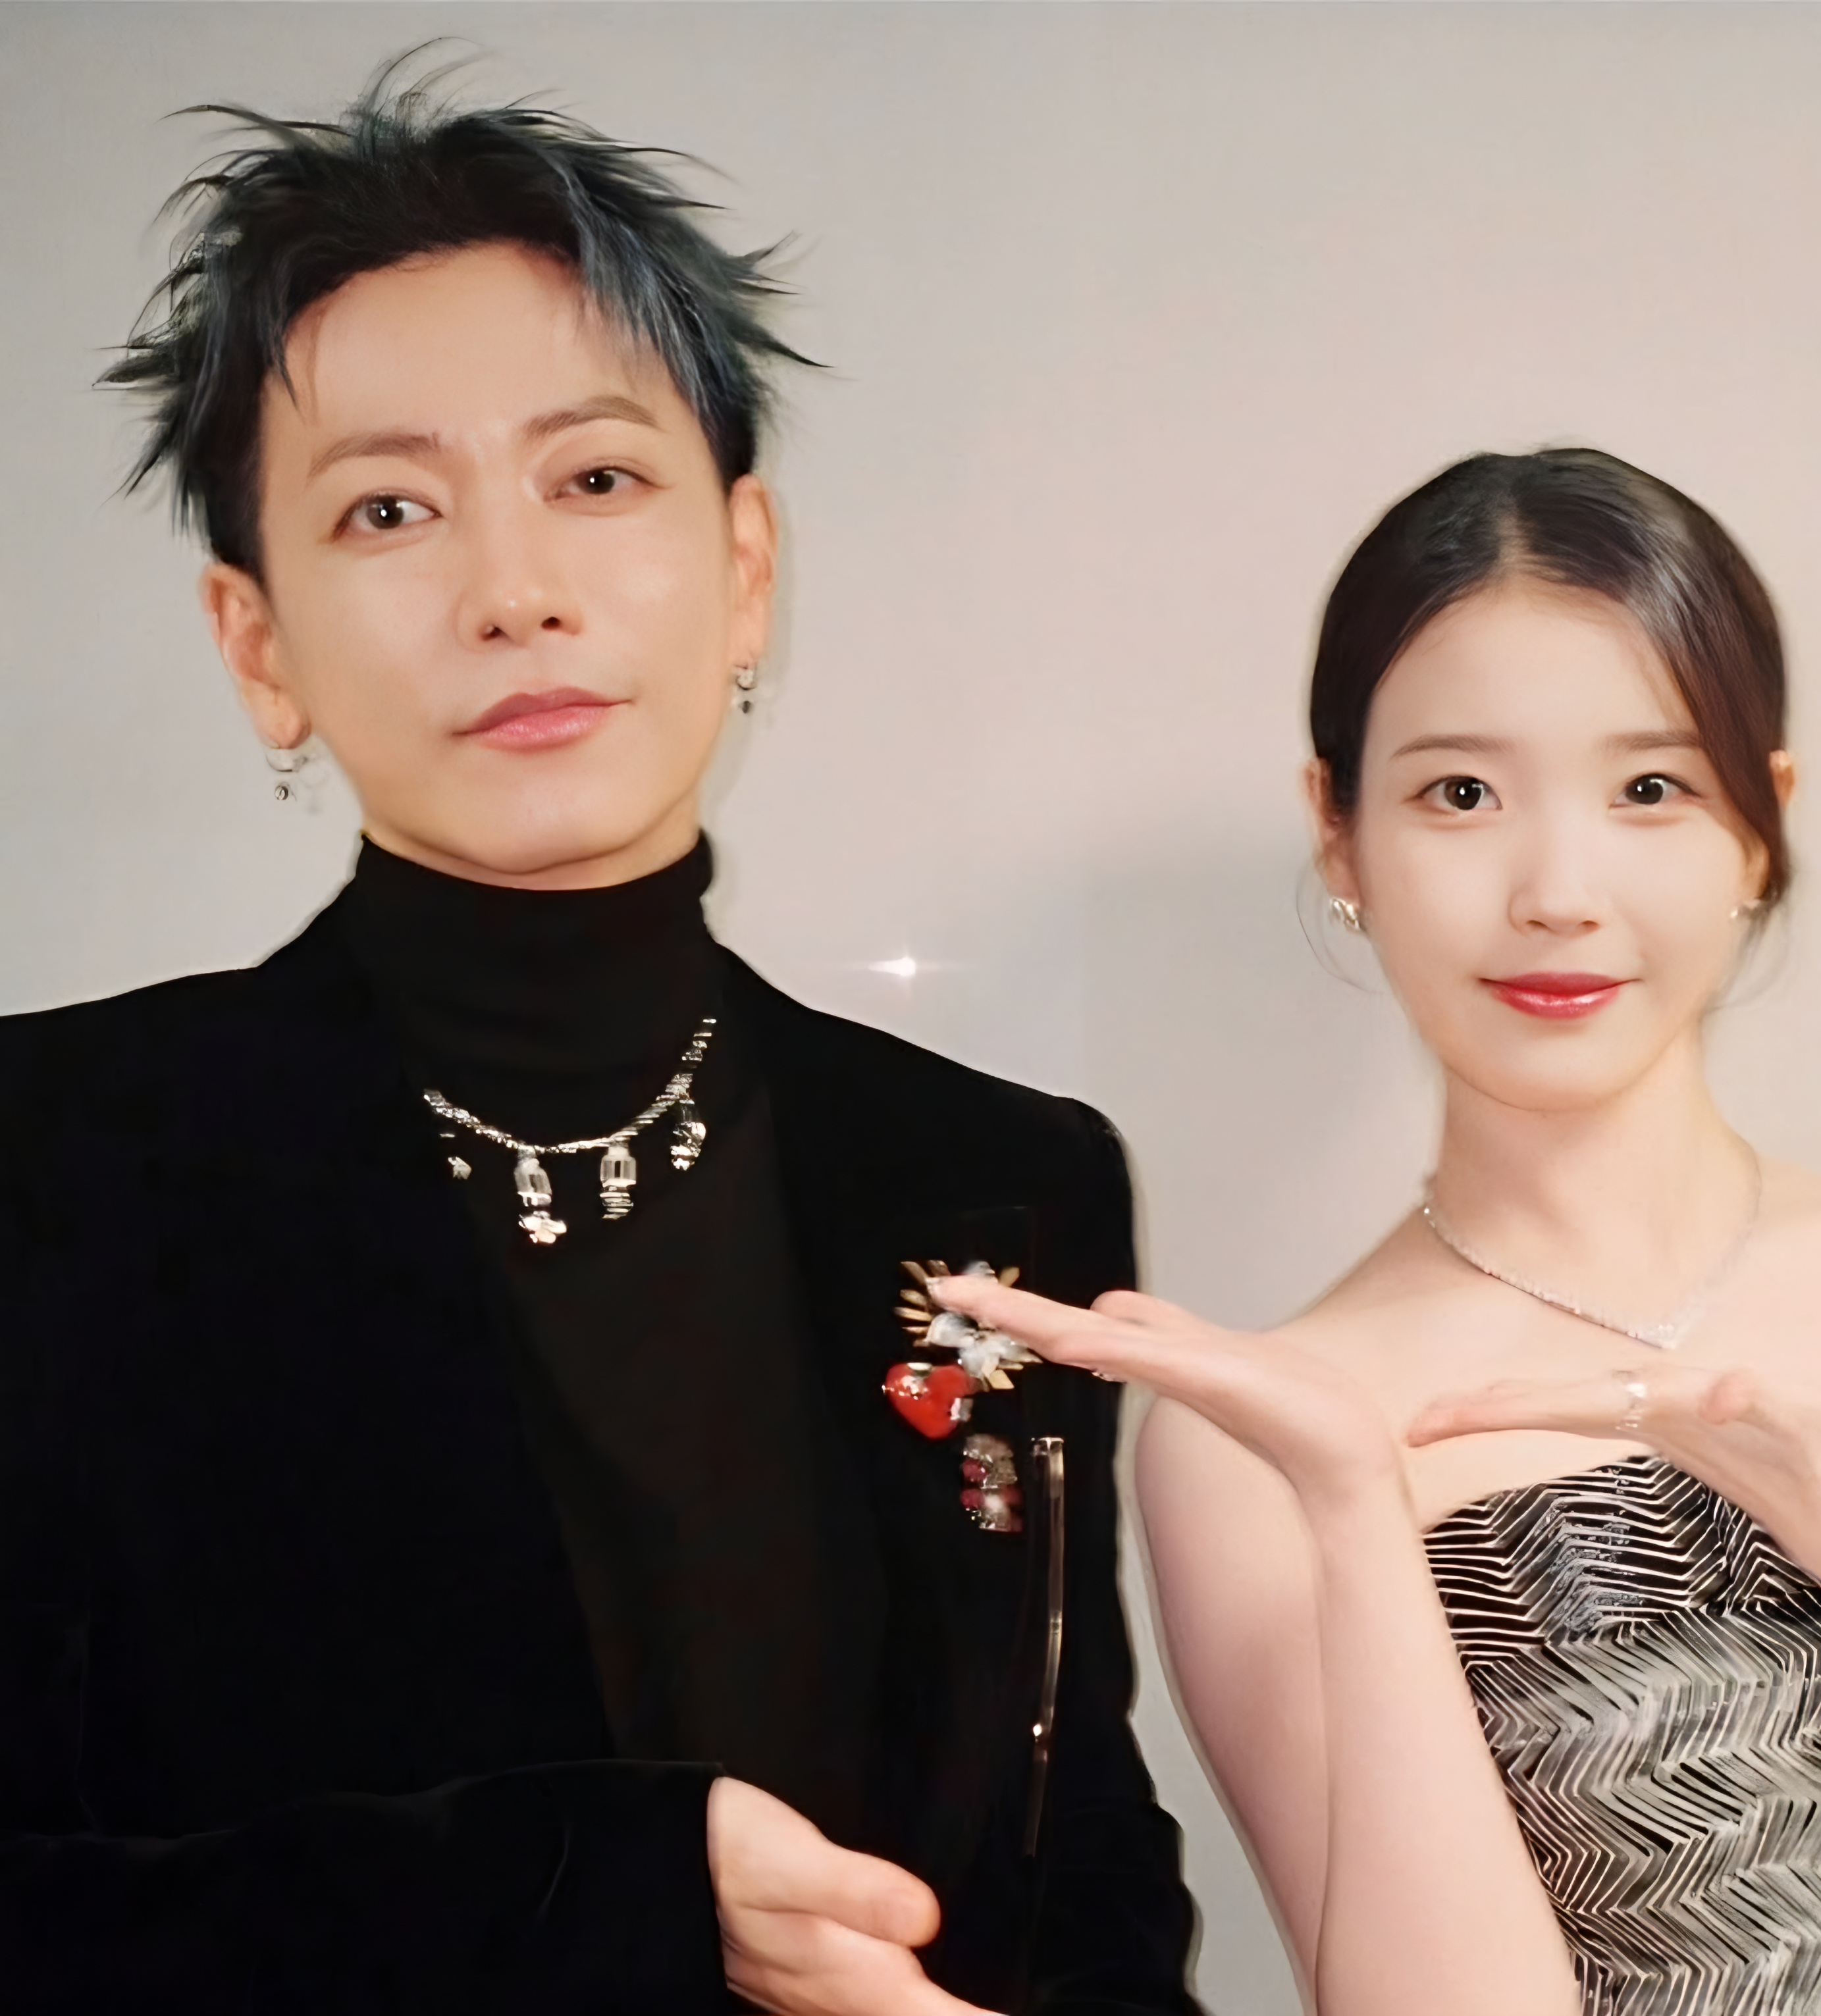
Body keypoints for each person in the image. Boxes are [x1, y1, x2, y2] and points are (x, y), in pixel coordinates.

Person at [0, 68, 1200, 2015]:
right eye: (389, 509)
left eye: (596, 479)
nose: (515, 591)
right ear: (259, 646)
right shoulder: (55, 1164)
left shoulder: (1003, 1178)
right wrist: (586, 1891)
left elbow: (1079, 1851)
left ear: (745, 570)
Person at [934, 448, 1821, 2015]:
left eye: (1650, 789)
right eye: (1460, 793)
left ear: (1760, 826)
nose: (1558, 891)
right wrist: (1360, 1506)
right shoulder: (1254, 1439)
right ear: (1339, 831)